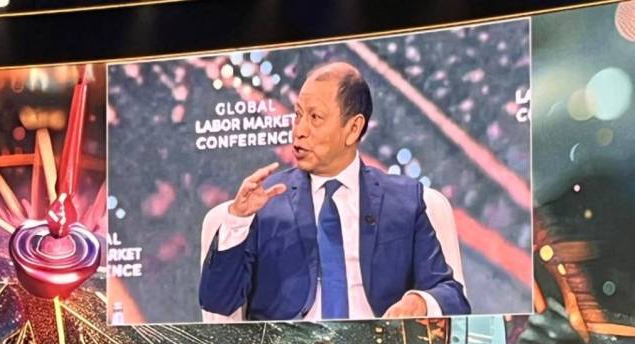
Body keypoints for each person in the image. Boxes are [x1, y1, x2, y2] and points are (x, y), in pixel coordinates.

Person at [199, 61, 470, 321]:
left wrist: (419, 302)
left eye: (315, 117)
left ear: (353, 129)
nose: (299, 130)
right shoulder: (268, 200)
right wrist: (237, 222)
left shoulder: (404, 201)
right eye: (298, 115)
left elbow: (453, 297)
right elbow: (218, 302)